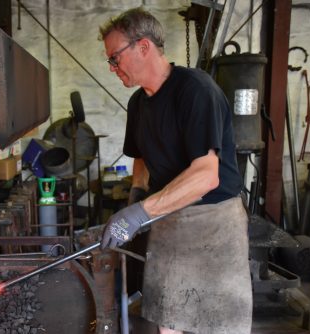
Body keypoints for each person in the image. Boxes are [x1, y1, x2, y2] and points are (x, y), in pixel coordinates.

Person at [98, 7, 252, 334]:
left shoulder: (196, 91)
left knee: (217, 324)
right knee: (169, 322)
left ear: (143, 47)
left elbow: (206, 175)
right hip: (167, 218)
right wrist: (137, 197)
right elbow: (139, 157)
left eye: (115, 57)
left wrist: (140, 212)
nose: (112, 67)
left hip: (213, 225)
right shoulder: (138, 104)